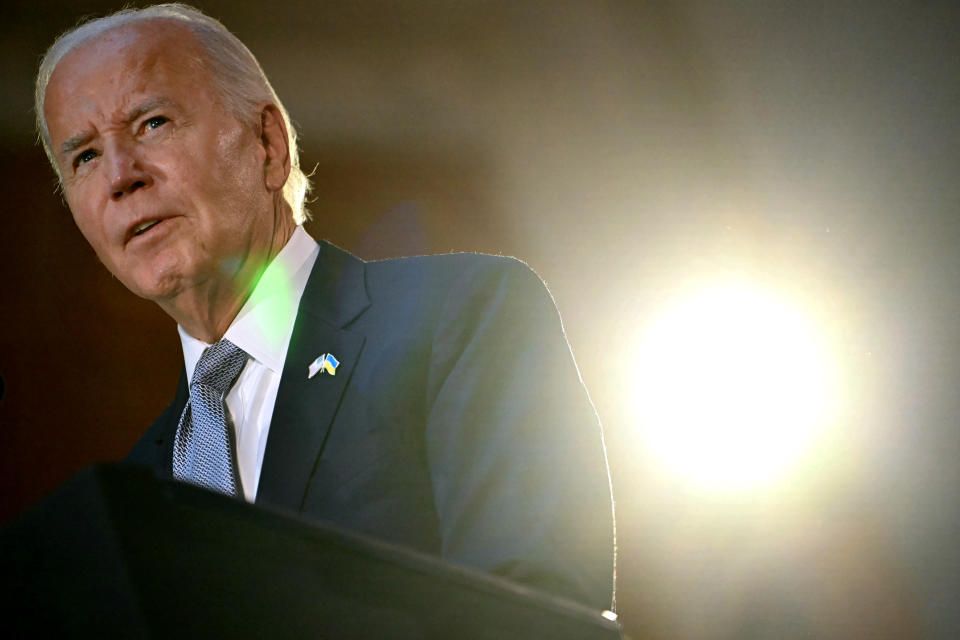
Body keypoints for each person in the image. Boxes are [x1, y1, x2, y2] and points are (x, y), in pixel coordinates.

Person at [36, 3, 614, 610]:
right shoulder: (135, 494)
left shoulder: (456, 319)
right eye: (85, 157)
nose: (120, 176)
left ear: (266, 144)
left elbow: (539, 610)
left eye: (152, 123)